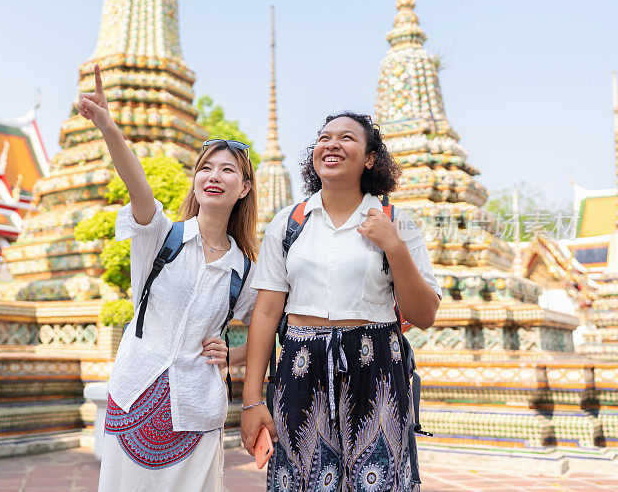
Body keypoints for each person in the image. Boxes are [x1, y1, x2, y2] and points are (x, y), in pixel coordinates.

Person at [77, 65, 259, 492]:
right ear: (195, 181)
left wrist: (234, 355)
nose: (214, 176)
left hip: (198, 410)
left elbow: (268, 325)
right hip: (133, 396)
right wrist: (107, 126)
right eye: (206, 169)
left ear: (245, 188)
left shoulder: (244, 268)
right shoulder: (161, 236)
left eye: (227, 170)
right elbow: (138, 187)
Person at [240, 112, 441, 491]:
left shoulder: (398, 222)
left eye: (347, 137)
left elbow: (423, 314)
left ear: (370, 158)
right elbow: (266, 313)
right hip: (301, 368)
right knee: (300, 480)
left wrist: (393, 246)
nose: (332, 144)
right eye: (324, 137)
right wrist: (252, 402)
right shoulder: (288, 223)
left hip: (376, 366)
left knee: (378, 480)